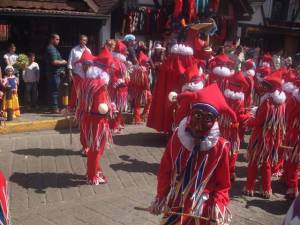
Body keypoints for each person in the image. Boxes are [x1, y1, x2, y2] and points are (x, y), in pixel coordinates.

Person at [149, 84, 235, 225]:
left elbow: (223, 184)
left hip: (203, 209)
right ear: (190, 114)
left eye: (207, 119)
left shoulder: (220, 147)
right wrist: (161, 196)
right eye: (197, 116)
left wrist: (218, 205)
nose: (199, 125)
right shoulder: (177, 138)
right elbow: (165, 170)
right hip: (176, 202)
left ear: (214, 122)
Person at [244, 70, 286, 199]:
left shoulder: (267, 103)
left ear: (270, 88)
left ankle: (249, 187)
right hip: (272, 138)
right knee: (267, 164)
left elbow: (258, 122)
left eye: (266, 86)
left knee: (253, 161)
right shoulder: (281, 103)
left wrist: (247, 119)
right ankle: (266, 189)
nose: (263, 88)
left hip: (260, 137)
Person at [75, 50, 112, 185]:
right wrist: (110, 108)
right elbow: (101, 106)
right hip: (98, 121)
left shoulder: (85, 82)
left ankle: (95, 171)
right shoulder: (100, 84)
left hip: (87, 119)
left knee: (93, 147)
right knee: (97, 149)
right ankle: (92, 175)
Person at [67, 34, 91, 112]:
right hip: (77, 74)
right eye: (81, 40)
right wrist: (70, 72)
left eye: (84, 40)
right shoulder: (74, 50)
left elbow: (91, 62)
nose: (82, 41)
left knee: (84, 92)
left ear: (86, 42)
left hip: (86, 75)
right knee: (74, 92)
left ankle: (82, 108)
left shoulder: (88, 51)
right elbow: (70, 62)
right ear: (79, 40)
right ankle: (71, 107)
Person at [45, 33, 67, 113]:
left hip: (55, 73)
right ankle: (55, 108)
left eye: (59, 39)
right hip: (54, 73)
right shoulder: (51, 48)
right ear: (52, 39)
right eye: (57, 39)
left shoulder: (54, 48)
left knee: (52, 90)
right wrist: (63, 62)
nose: (58, 41)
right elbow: (54, 62)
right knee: (55, 90)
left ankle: (51, 107)